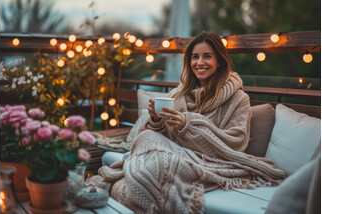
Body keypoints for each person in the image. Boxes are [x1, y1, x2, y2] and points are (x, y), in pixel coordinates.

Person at [92, 32, 285, 214]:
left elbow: (237, 142)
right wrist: (156, 121)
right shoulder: (178, 94)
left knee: (156, 161)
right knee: (147, 136)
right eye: (195, 57)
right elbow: (157, 137)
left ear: (219, 61)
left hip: (207, 161)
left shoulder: (238, 98)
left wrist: (188, 125)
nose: (200, 62)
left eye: (207, 56)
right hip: (171, 152)